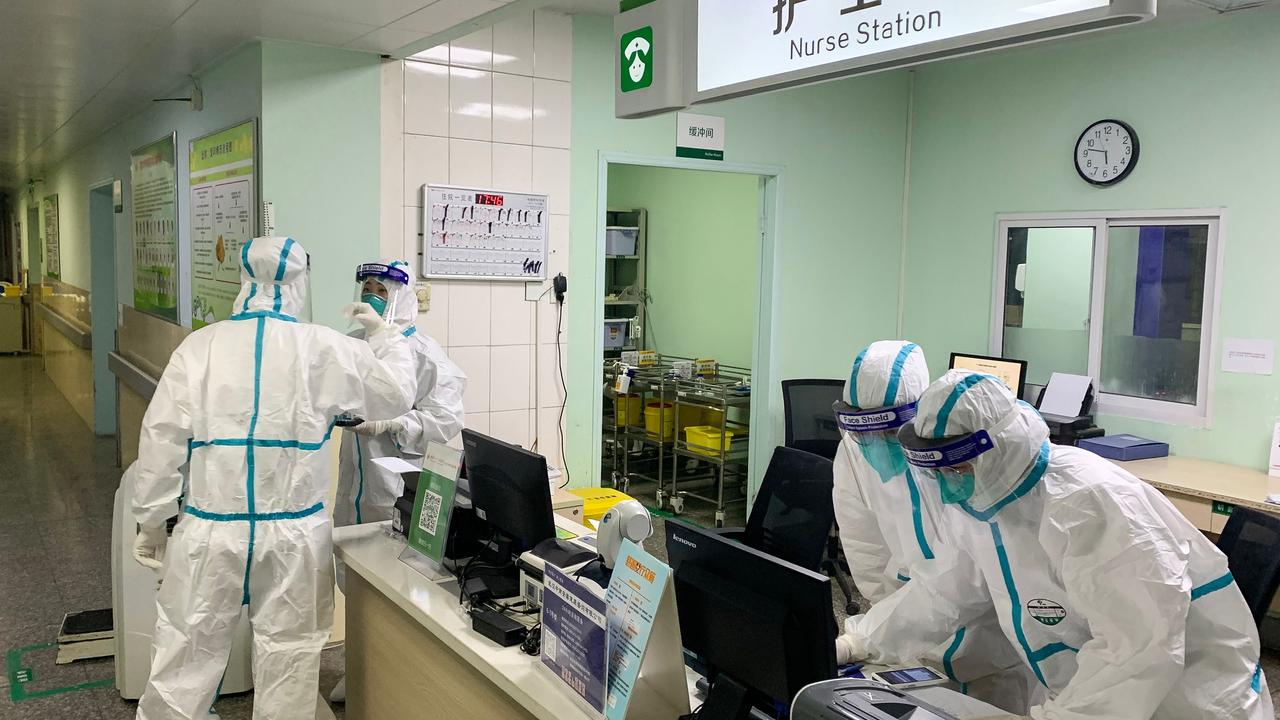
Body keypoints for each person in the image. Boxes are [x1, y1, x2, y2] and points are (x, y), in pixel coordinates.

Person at [840, 369, 1272, 719]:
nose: (949, 484)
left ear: (997, 450)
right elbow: (944, 591)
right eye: (940, 470)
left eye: (957, 467)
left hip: (1189, 701)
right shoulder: (984, 504)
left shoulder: (1090, 503)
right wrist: (861, 641)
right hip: (1096, 696)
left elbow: (1137, 650)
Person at [130, 237, 417, 720]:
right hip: (294, 539)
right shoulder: (325, 347)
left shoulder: (200, 347)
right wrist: (387, 337)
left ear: (242, 281)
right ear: (302, 281)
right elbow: (395, 397)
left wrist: (153, 520)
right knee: (289, 660)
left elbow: (160, 440)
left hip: (210, 530)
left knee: (185, 654)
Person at [833, 341, 1032, 712]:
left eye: (889, 431)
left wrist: (866, 637)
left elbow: (961, 581)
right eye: (864, 433)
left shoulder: (958, 461)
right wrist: (885, 629)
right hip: (904, 633)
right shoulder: (854, 451)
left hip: (986, 641)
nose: (875, 445)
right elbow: (864, 546)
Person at [329, 259, 467, 703]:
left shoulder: (425, 354)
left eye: (381, 290)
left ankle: (401, 683)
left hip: (401, 486)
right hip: (355, 483)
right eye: (366, 286)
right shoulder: (353, 346)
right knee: (354, 576)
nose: (371, 295)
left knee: (400, 585)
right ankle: (361, 670)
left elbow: (445, 420)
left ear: (401, 297)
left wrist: (389, 426)